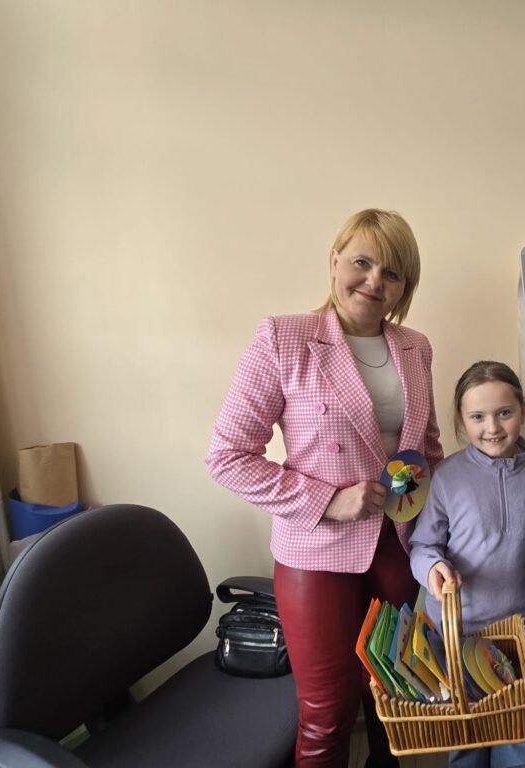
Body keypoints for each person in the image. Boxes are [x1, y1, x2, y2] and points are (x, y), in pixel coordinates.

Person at [206, 209, 443, 768]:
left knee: (390, 699)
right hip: (316, 551)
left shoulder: (416, 347)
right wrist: (327, 500)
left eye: (392, 273)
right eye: (362, 262)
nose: (374, 281)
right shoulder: (283, 337)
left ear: (405, 286)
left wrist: (440, 509)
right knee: (327, 712)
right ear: (335, 261)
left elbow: (426, 447)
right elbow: (227, 456)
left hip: (397, 545)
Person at [409, 361, 525, 768]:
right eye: (477, 417)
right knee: (467, 743)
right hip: (460, 639)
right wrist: (432, 567)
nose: (492, 427)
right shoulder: (446, 477)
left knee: (523, 743)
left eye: (504, 413)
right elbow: (422, 545)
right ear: (460, 419)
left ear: (523, 410)